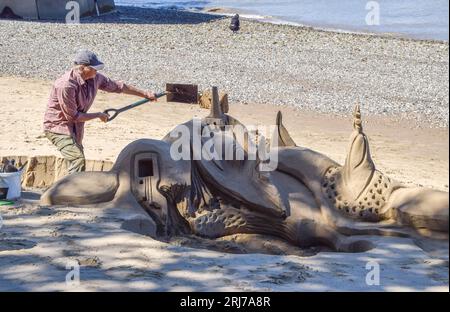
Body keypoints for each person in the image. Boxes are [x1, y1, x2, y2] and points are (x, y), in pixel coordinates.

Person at [43, 49, 156, 174]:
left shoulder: (95, 78)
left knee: (77, 159)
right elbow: (73, 116)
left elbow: (119, 86)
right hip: (58, 127)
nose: (96, 71)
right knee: (77, 159)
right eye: (94, 68)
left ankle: (70, 189)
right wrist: (98, 115)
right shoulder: (66, 85)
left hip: (76, 128)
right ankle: (72, 192)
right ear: (82, 68)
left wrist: (145, 94)